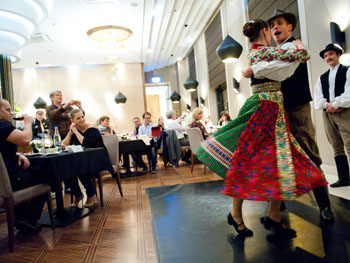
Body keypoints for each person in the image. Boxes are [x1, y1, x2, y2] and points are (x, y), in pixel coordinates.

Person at [196, 19, 327, 239]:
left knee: (277, 160)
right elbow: (290, 63)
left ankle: (273, 214)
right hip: (263, 108)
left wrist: (258, 67)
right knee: (248, 160)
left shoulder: (269, 53)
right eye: (271, 27)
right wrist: (267, 63)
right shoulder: (259, 53)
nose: (274, 30)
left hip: (274, 109)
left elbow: (294, 60)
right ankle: (236, 213)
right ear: (265, 30)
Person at [242, 9, 334, 222]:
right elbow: (268, 65)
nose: (275, 29)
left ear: (290, 26)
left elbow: (280, 70)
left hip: (296, 107)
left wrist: (254, 70)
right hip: (277, 109)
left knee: (310, 155)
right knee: (276, 157)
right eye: (272, 26)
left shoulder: (295, 46)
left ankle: (324, 205)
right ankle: (277, 203)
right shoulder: (274, 50)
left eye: (279, 24)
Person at [0, 99, 47, 232]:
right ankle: (29, 219)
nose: (10, 114)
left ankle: (20, 217)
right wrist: (28, 123)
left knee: (30, 172)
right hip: (10, 179)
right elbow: (26, 140)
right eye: (7, 110)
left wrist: (17, 155)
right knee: (46, 175)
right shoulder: (2, 125)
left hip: (3, 181)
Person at [314, 43, 350, 187]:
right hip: (328, 115)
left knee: (349, 143)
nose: (328, 57)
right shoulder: (322, 77)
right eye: (326, 55)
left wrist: (336, 104)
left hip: (345, 112)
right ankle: (344, 178)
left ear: (338, 55)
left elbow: (349, 92)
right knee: (336, 145)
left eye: (331, 54)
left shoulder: (347, 71)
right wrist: (328, 105)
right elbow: (317, 98)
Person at [62, 109, 104, 207]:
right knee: (68, 169)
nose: (82, 119)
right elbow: (63, 145)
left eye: (82, 117)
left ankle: (90, 194)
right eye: (78, 118)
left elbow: (86, 143)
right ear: (73, 121)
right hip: (84, 159)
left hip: (98, 158)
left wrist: (76, 132)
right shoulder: (74, 130)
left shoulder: (92, 126)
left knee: (80, 167)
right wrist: (70, 133)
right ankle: (77, 195)